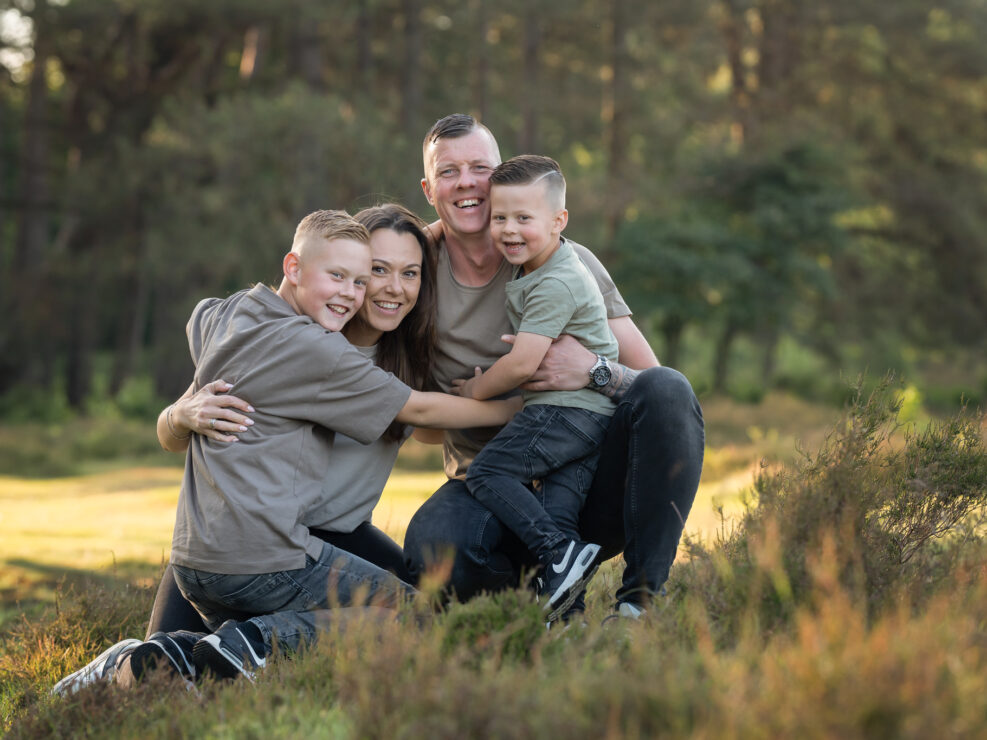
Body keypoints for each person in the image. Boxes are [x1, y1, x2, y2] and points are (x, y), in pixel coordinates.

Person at [53, 206, 516, 692]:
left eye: (410, 273)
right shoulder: (309, 344)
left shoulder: (408, 354)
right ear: (300, 268)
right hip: (261, 540)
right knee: (168, 676)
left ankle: (222, 648)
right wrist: (179, 413)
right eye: (374, 270)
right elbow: (174, 431)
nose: (387, 287)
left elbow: (427, 426)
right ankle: (222, 648)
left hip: (318, 539)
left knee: (413, 619)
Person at [403, 114, 705, 621]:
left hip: (584, 467)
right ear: (429, 188)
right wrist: (514, 407)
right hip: (489, 480)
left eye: (480, 167)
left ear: (501, 176)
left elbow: (656, 391)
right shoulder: (412, 272)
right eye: (449, 171)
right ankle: (539, 596)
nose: (468, 183)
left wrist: (593, 372)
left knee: (669, 389)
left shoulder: (565, 261)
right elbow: (424, 435)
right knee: (432, 555)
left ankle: (640, 602)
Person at [451, 155, 617, 621]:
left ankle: (558, 553)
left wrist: (475, 390)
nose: (509, 230)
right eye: (500, 218)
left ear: (559, 220)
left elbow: (522, 365)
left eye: (524, 218)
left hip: (567, 412)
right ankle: (569, 619)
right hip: (588, 417)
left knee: (486, 474)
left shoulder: (557, 281)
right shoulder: (542, 267)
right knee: (559, 511)